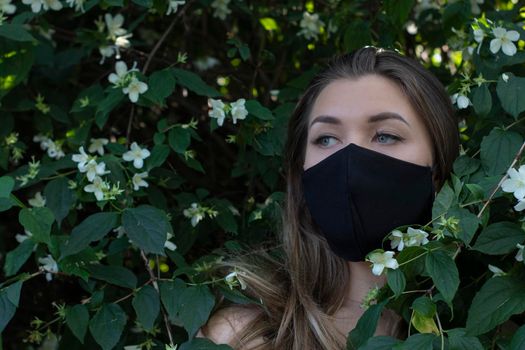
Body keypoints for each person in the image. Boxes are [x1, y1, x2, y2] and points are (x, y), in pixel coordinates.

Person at [196, 46, 460, 349]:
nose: (349, 160)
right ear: (302, 169)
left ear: (437, 169)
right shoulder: (241, 336)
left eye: (385, 135)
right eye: (327, 139)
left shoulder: (491, 336)